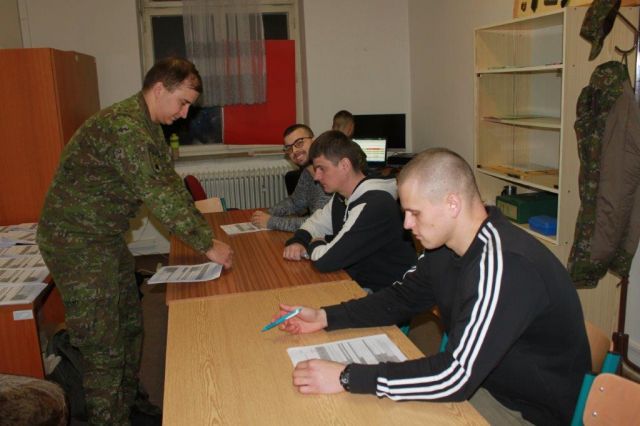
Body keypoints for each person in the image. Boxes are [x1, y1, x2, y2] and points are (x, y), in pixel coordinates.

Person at [277, 148, 591, 425]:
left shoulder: (506, 264)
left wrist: (347, 376)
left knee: (368, 409)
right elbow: (401, 298)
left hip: (524, 411)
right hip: (485, 383)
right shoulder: (444, 248)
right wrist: (325, 317)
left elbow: (455, 377)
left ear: (452, 203)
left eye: (414, 213)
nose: (407, 225)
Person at [37, 57, 233, 425]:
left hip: (103, 237)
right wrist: (207, 244)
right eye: (183, 103)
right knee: (103, 346)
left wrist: (205, 233)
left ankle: (130, 405)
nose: (185, 113)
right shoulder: (125, 127)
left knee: (129, 324)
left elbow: (169, 184)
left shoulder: (148, 126)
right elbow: (158, 194)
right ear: (159, 89)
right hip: (75, 242)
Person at [283, 130, 416, 292]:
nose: (316, 177)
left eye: (321, 169)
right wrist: (299, 241)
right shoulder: (341, 196)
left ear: (345, 165)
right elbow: (316, 223)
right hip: (357, 280)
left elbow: (325, 261)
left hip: (386, 293)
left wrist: (317, 242)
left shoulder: (374, 204)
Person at [250, 124, 330, 232]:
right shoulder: (307, 173)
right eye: (289, 148)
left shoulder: (330, 176)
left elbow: (318, 224)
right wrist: (268, 213)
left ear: (314, 141)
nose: (294, 151)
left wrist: (270, 221)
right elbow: (294, 202)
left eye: (299, 143)